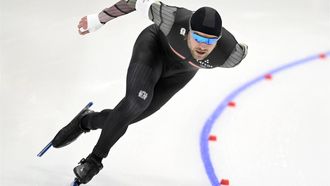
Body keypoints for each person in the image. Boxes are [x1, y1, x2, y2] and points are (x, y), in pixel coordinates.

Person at [51, 0, 248, 184]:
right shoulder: (172, 18)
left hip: (180, 74)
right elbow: (134, 2)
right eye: (197, 37)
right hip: (153, 49)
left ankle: (85, 121)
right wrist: (98, 20)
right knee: (136, 103)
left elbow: (243, 49)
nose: (203, 46)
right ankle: (94, 161)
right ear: (188, 30)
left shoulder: (231, 55)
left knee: (129, 117)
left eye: (210, 41)